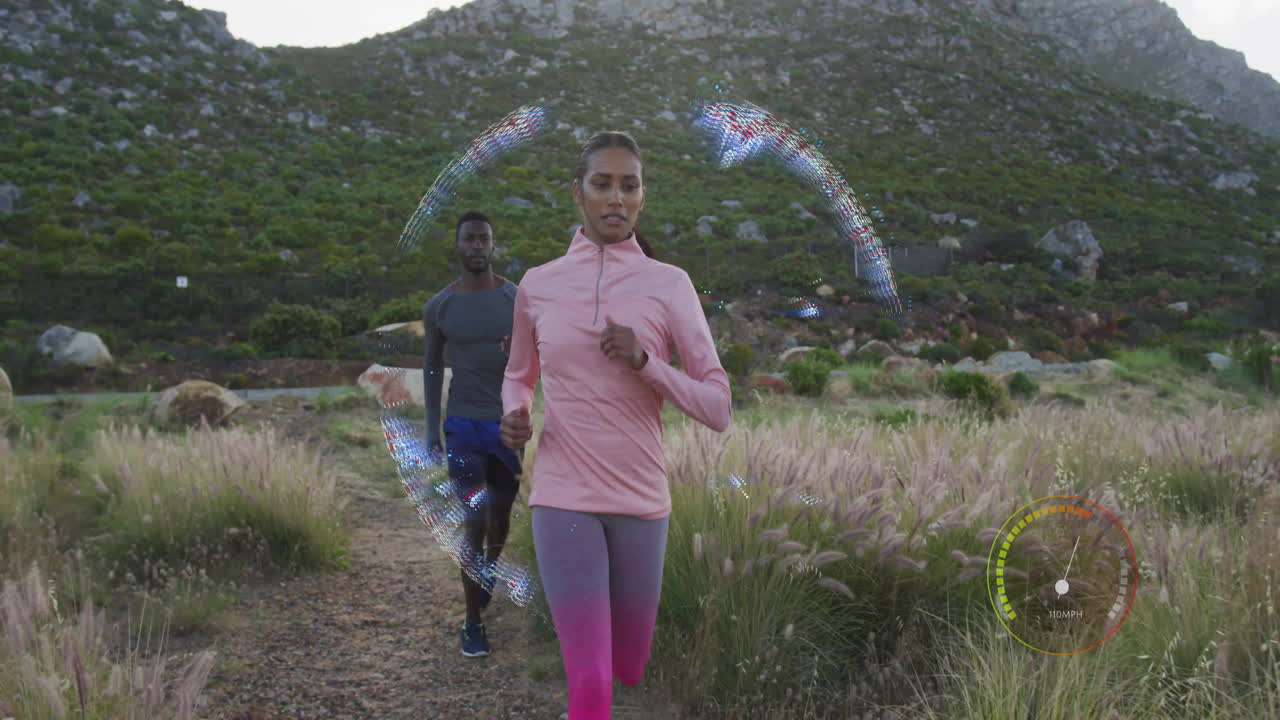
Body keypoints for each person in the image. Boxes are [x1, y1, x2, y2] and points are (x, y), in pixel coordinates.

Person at [499, 131, 733, 719]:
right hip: (563, 495)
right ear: (577, 193)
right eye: (602, 183)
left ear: (642, 197)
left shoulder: (669, 284)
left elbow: (718, 408)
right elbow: (518, 375)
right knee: (593, 685)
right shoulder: (538, 284)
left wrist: (646, 363)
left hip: (641, 498)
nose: (615, 197)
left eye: (628, 185)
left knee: (630, 664)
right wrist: (517, 415)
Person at [423, 210, 521, 658]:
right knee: (475, 521)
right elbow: (430, 366)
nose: (477, 245)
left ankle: (487, 573)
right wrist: (431, 427)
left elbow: (537, 354)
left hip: (506, 424)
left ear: (492, 245)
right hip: (462, 425)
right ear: (458, 246)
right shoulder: (440, 306)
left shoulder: (516, 300)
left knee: (500, 519)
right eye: (470, 239)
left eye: (484, 238)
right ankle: (472, 623)